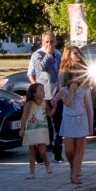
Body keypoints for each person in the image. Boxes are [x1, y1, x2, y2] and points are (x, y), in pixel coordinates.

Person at [54, 46, 93, 185]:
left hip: (81, 115)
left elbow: (88, 101)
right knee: (69, 150)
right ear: (67, 56)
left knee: (79, 147)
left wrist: (90, 123)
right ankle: (74, 168)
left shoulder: (84, 72)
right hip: (68, 117)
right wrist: (56, 99)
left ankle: (75, 173)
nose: (76, 56)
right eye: (72, 54)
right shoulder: (63, 73)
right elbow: (60, 91)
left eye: (77, 53)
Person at [28, 31, 63, 163]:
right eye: (47, 42)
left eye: (52, 41)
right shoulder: (37, 54)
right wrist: (48, 54)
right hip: (43, 95)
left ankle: (58, 153)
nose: (50, 44)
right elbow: (39, 69)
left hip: (57, 94)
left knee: (58, 124)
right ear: (42, 42)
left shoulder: (59, 54)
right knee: (43, 125)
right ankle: (40, 156)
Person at [19, 83, 53, 179]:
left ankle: (46, 161)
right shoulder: (29, 104)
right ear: (34, 93)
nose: (43, 92)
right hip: (32, 129)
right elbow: (24, 116)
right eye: (40, 90)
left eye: (43, 90)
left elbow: (49, 114)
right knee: (32, 151)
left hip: (42, 128)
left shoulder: (45, 103)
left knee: (42, 149)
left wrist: (54, 107)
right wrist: (22, 128)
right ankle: (32, 173)